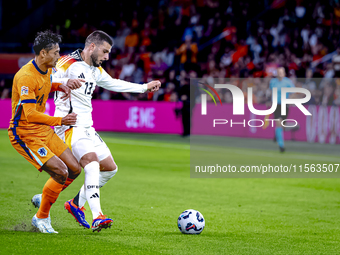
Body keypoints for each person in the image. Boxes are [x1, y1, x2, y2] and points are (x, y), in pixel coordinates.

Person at [52, 30, 161, 232]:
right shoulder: (66, 62)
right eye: (105, 51)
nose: (107, 57)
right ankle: (97, 216)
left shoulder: (95, 70)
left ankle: (75, 203)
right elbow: (44, 81)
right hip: (69, 125)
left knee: (110, 168)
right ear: (92, 47)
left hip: (87, 127)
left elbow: (115, 84)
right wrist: (63, 83)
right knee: (92, 164)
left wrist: (144, 87)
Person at [8, 30, 84, 233]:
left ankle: (44, 196)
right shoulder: (25, 77)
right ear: (43, 53)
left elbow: (47, 85)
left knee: (75, 169)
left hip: (43, 130)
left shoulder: (48, 69)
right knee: (61, 171)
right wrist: (61, 119)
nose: (59, 56)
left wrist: (62, 85)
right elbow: (30, 114)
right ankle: (41, 217)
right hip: (24, 133)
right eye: (56, 52)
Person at [269, 67, 295, 152]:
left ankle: (277, 135)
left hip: (285, 104)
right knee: (278, 122)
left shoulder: (288, 82)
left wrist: (291, 100)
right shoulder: (273, 82)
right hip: (276, 105)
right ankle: (281, 145)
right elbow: (271, 92)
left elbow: (293, 92)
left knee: (282, 126)